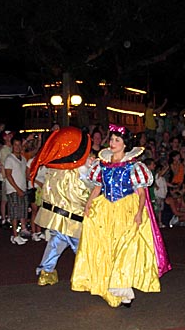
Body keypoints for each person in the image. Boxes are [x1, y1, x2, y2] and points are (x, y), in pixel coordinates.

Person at [71, 124, 170, 307]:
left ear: (125, 144)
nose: (113, 143)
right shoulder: (102, 165)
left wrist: (140, 212)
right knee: (109, 248)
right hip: (106, 210)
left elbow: (141, 194)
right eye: (112, 140)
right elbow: (98, 188)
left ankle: (122, 287)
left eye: (117, 140)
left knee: (126, 246)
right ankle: (119, 289)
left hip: (127, 209)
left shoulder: (135, 166)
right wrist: (89, 204)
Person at [29, 127, 93, 286]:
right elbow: (89, 191)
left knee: (56, 243)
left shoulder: (53, 170)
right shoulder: (80, 172)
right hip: (74, 219)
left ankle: (46, 272)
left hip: (57, 217)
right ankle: (86, 277)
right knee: (82, 247)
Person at [4, 136, 30, 245]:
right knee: (14, 213)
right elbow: (8, 175)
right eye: (15, 145)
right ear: (12, 146)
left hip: (22, 188)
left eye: (19, 145)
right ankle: (14, 235)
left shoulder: (23, 159)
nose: (18, 147)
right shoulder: (9, 159)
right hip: (13, 190)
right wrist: (17, 189)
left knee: (22, 211)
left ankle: (20, 233)